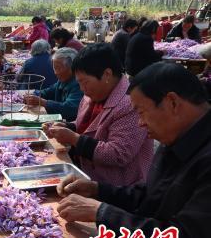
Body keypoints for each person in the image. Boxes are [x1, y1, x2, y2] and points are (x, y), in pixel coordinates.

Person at [56, 62, 211, 238]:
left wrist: (103, 213)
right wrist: (98, 191)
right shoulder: (177, 138)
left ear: (173, 102)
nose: (139, 123)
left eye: (141, 112)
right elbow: (150, 196)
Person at [43, 43, 153, 186]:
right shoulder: (92, 95)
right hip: (87, 176)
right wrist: (68, 127)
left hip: (118, 188)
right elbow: (85, 126)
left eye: (85, 82)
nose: (82, 89)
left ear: (107, 74)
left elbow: (118, 153)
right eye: (79, 83)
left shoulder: (130, 103)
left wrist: (74, 139)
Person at [23, 47, 83, 122]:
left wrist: (43, 102)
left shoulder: (79, 84)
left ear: (72, 68)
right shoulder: (62, 81)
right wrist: (33, 95)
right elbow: (48, 92)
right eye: (54, 68)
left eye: (58, 68)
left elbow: (69, 109)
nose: (55, 73)